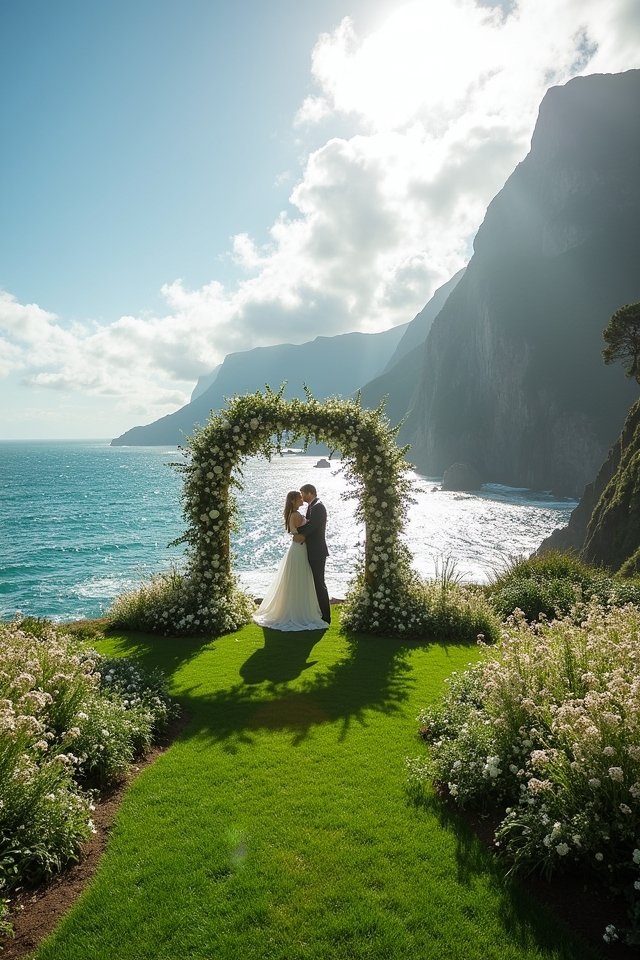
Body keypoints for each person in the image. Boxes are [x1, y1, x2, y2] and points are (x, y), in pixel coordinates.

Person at [253, 490, 327, 631]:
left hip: (298, 548)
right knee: (299, 578)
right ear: (293, 501)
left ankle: (298, 607)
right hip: (299, 548)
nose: (302, 500)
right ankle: (299, 610)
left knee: (297, 579)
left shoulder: (294, 514)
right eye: (299, 498)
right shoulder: (296, 515)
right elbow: (300, 534)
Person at [293, 483, 331, 624]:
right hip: (312, 549)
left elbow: (313, 526)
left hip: (317, 551)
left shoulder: (318, 507)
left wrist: (298, 533)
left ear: (309, 493)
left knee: (319, 582)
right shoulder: (313, 506)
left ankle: (326, 616)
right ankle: (317, 611)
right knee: (315, 582)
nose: (301, 497)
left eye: (302, 493)